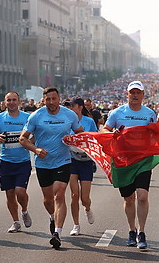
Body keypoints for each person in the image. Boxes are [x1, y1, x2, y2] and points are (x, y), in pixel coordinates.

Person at [19, 87, 83, 249]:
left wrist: (74, 140)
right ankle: (52, 217)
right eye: (48, 99)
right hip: (43, 163)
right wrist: (36, 150)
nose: (51, 102)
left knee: (59, 193)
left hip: (63, 161)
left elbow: (80, 133)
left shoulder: (69, 115)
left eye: (54, 99)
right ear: (44, 100)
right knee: (48, 199)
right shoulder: (36, 116)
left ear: (59, 98)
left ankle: (58, 233)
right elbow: (23, 139)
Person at [102, 80, 156, 249]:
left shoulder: (149, 114)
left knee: (142, 196)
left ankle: (142, 232)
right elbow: (105, 130)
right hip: (123, 161)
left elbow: (156, 133)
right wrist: (113, 133)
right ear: (127, 94)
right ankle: (131, 230)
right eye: (132, 92)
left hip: (142, 160)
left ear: (143, 95)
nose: (135, 95)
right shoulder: (117, 113)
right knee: (129, 198)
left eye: (138, 93)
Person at [0, 91, 33, 233]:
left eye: (14, 100)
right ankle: (15, 222)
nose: (11, 102)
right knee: (10, 193)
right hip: (5, 161)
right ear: (5, 102)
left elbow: (37, 134)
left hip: (22, 161)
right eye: (9, 100)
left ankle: (24, 211)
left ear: (19, 102)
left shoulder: (27, 117)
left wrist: (30, 143)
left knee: (20, 192)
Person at [68, 97, 98, 236]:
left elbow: (96, 138)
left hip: (86, 162)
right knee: (74, 195)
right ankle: (76, 225)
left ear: (80, 107)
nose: (70, 108)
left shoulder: (89, 121)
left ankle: (88, 208)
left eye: (72, 106)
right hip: (71, 160)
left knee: (84, 198)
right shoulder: (67, 121)